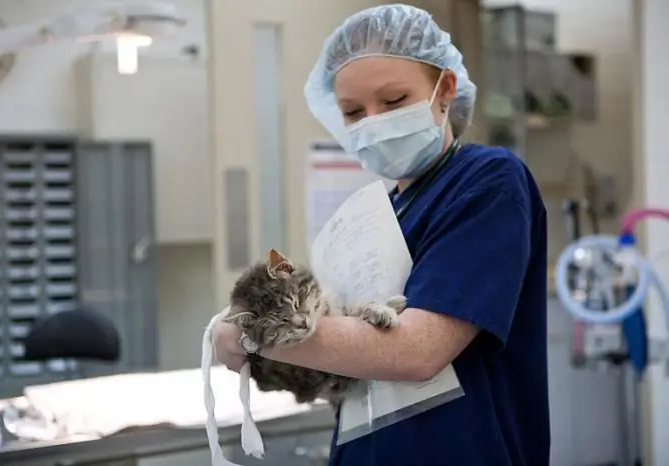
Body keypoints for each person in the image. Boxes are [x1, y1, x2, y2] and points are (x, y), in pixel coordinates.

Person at [213, 4, 550, 465]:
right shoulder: (377, 214)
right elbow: (345, 353)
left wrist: (259, 334)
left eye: (392, 102)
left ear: (445, 89)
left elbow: (417, 351)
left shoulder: (487, 181)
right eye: (353, 112)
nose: (373, 121)